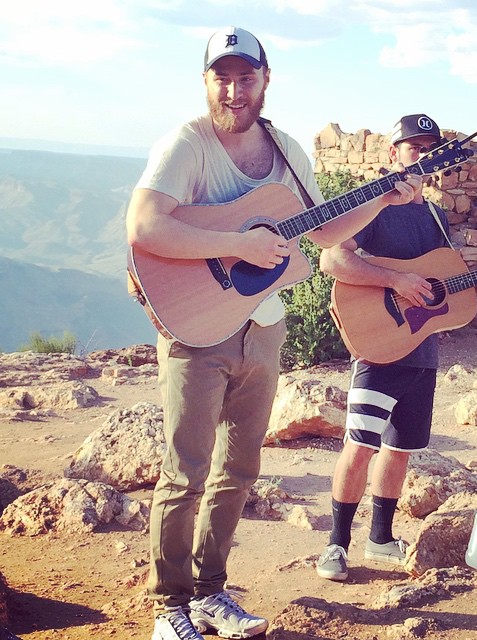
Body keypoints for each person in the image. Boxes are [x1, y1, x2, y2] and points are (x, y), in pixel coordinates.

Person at [126, 27, 424, 640]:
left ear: (266, 79)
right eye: (221, 77)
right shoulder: (187, 145)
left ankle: (211, 593)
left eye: (245, 77)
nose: (233, 90)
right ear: (206, 80)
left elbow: (324, 230)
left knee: (238, 469)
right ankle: (168, 606)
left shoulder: (287, 150)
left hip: (262, 326)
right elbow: (146, 227)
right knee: (185, 470)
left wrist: (385, 202)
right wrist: (240, 242)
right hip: (197, 327)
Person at [316, 113, 477, 582]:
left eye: (430, 149)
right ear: (394, 154)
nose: (423, 156)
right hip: (378, 343)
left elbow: (444, 291)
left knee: (401, 449)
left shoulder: (435, 213)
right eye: (413, 148)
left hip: (422, 348)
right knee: (360, 444)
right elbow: (332, 257)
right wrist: (395, 280)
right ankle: (336, 545)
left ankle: (381, 539)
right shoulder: (376, 204)